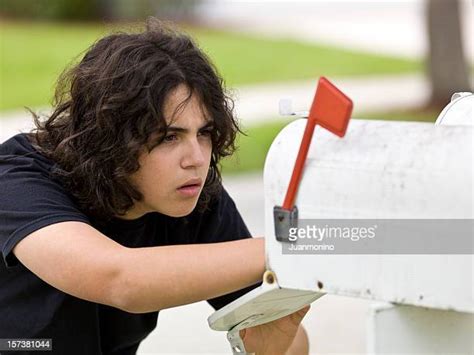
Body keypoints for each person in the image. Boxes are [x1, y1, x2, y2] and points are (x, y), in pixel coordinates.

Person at [0, 19, 310, 354]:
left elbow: (294, 343)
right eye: (169, 137)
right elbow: (120, 278)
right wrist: (296, 243)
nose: (196, 158)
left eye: (203, 132)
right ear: (109, 139)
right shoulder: (18, 177)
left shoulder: (191, 191)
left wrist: (271, 344)